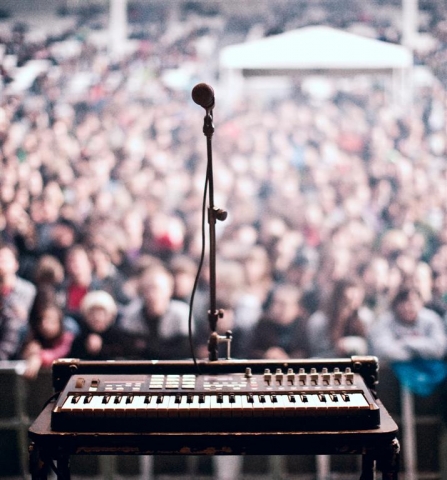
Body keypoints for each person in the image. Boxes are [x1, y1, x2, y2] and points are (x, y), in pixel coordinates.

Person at [119, 263, 192, 360]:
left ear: (169, 290)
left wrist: (146, 347)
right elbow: (128, 350)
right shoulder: (131, 314)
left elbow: (184, 351)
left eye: (157, 289)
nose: (152, 295)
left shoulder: (181, 313)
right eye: (148, 289)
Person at [368, 286, 446, 362]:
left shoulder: (431, 319)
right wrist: (421, 353)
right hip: (392, 371)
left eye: (411, 303)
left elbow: (439, 349)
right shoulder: (384, 321)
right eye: (403, 303)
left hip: (430, 368)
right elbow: (383, 352)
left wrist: (407, 342)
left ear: (421, 303)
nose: (407, 308)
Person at [306, 278, 372, 358]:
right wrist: (336, 349)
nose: (355, 296)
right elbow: (316, 350)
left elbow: (370, 346)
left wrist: (351, 344)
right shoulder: (319, 320)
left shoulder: (364, 317)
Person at [20, 289, 75, 379]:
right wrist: (28, 354)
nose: (45, 325)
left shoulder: (67, 338)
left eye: (51, 321)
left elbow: (58, 353)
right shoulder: (34, 338)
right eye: (43, 320)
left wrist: (39, 357)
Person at [248, 283, 308, 359]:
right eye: (275, 303)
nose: (276, 308)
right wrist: (266, 355)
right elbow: (250, 351)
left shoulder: (304, 326)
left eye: (283, 304)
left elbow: (307, 353)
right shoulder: (263, 324)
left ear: (297, 307)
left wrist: (287, 358)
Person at [69, 290, 127, 360]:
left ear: (111, 315)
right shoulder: (79, 340)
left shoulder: (120, 338)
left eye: (101, 313)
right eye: (92, 313)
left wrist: (103, 349)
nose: (97, 318)